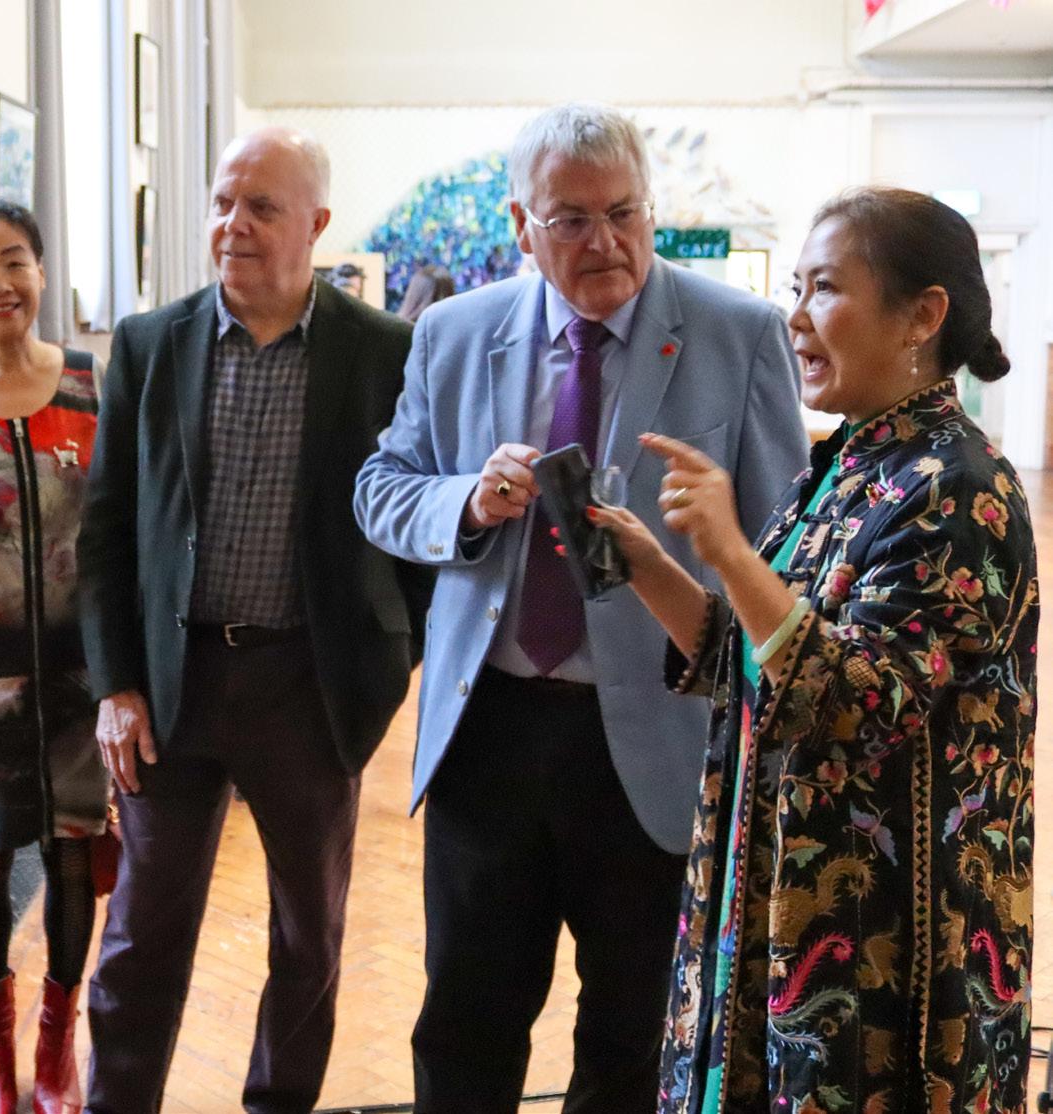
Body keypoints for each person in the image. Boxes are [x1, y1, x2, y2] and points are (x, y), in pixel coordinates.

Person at [352, 102, 806, 1113]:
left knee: (632, 1035)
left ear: (651, 209)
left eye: (623, 213)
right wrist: (467, 500)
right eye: (571, 220)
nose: (604, 241)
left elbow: (785, 541)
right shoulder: (453, 334)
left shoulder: (738, 333)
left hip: (659, 730)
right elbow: (380, 490)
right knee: (465, 1021)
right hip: (490, 729)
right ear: (522, 225)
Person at [590, 187, 1036, 1113]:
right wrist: (648, 566)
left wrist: (729, 550)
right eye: (796, 288)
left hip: (886, 952)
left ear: (922, 315)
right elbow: (760, 664)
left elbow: (859, 707)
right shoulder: (846, 465)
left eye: (825, 288)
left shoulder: (961, 487)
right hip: (780, 912)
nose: (795, 316)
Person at [78, 127, 429, 1114]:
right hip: (171, 685)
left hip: (308, 688)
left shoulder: (385, 353)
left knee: (308, 936)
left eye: (262, 207)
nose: (233, 224)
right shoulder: (150, 345)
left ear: (316, 224)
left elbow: (417, 524)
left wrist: (388, 657)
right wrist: (114, 684)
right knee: (141, 935)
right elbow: (105, 531)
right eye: (222, 202)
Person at [0, 200, 110, 1114]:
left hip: (78, 677)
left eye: (13, 261)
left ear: (42, 273)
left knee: (72, 855)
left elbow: (117, 526)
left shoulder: (88, 384)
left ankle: (55, 1043)